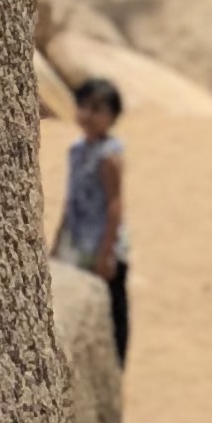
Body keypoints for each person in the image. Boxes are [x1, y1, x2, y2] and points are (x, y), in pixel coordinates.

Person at [54, 74, 129, 367]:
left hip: (102, 245)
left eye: (97, 109)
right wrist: (58, 242)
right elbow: (71, 199)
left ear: (112, 116)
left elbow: (114, 204)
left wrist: (106, 253)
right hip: (78, 242)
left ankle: (113, 369)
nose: (87, 115)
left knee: (112, 311)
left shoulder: (109, 155)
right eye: (83, 106)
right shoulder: (77, 150)